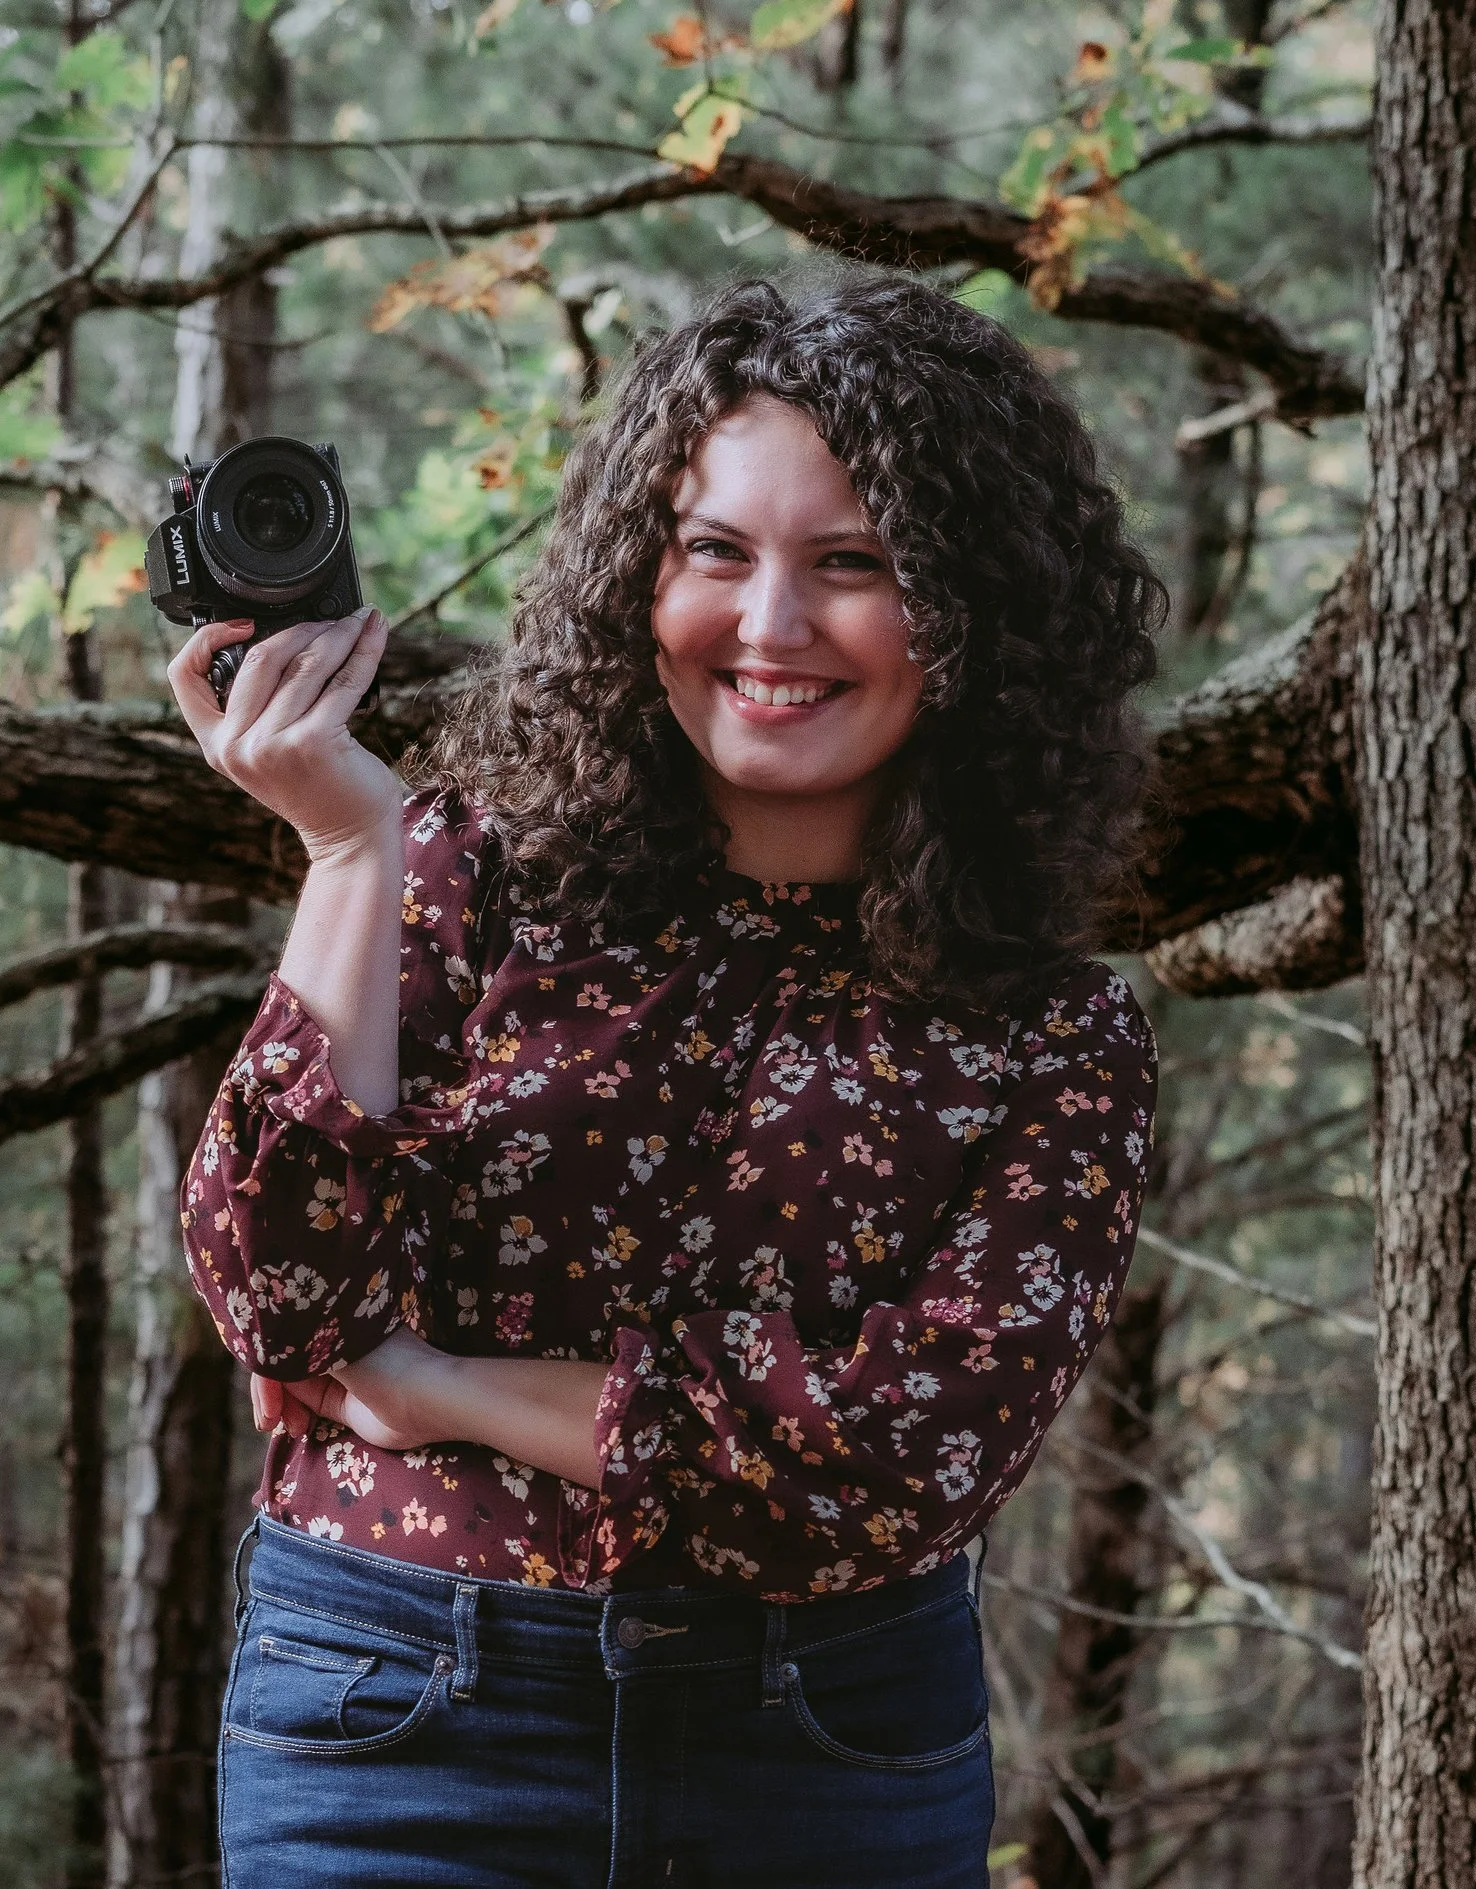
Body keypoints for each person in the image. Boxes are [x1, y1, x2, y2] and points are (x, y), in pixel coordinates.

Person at [164, 271, 1161, 1889]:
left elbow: (891, 1469)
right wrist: (355, 843)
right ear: (640, 572)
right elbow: (279, 1290)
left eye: (855, 565)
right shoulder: (464, 876)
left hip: (829, 1752)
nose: (770, 627)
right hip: (397, 1717)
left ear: (977, 612)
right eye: (715, 550)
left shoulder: (1050, 1035)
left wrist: (438, 1387)